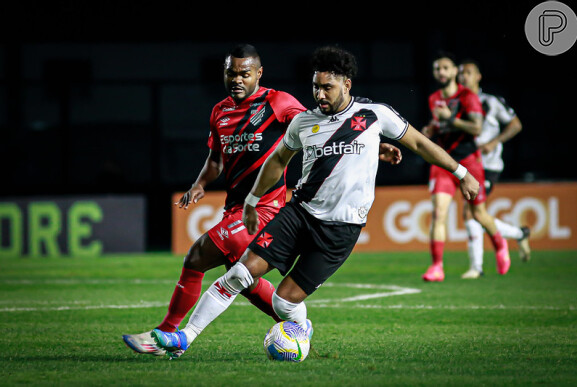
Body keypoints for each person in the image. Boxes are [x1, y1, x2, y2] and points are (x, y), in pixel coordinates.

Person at [149, 45, 481, 359]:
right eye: (315, 87)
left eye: (327, 87)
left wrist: (461, 171)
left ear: (346, 84)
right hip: (299, 214)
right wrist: (251, 201)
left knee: (283, 302)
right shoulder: (304, 122)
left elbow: (421, 145)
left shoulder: (374, 115)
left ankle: (299, 328)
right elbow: (276, 162)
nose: (320, 94)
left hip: (341, 229)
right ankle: (185, 337)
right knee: (240, 273)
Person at [122, 44, 306, 356]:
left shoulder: (277, 101)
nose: (237, 79)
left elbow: (310, 126)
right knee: (244, 280)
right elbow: (216, 160)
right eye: (231, 73)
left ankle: (166, 336)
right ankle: (296, 324)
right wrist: (199, 185)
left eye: (244, 74)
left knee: (195, 258)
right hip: (234, 209)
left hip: (264, 209)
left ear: (258, 74)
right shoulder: (220, 111)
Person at [421, 52, 510, 282]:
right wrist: (431, 130)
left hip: (469, 162)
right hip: (443, 162)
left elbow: (476, 128)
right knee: (438, 213)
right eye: (437, 68)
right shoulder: (433, 98)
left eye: (445, 68)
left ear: (454, 72)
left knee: (478, 214)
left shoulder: (468, 96)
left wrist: (450, 119)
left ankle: (500, 243)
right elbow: (440, 126)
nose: (440, 72)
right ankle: (437, 267)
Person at [458, 59, 531, 279]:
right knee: (474, 213)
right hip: (468, 164)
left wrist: (495, 142)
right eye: (461, 73)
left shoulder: (490, 102)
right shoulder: (456, 103)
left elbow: (515, 124)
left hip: (487, 165)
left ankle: (476, 267)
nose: (463, 76)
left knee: (470, 212)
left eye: (469, 72)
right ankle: (519, 233)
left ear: (478, 76)